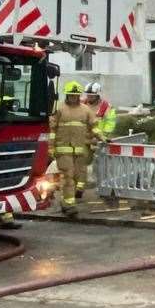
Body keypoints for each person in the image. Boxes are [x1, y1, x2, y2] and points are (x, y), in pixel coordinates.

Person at [49, 81, 100, 217]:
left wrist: (102, 137)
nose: (73, 97)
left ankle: (66, 200)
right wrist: (51, 146)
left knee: (78, 177)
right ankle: (69, 204)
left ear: (78, 96)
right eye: (71, 95)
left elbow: (94, 125)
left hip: (80, 149)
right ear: (67, 95)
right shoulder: (59, 109)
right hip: (63, 149)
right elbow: (52, 129)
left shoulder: (85, 110)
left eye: (75, 95)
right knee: (68, 177)